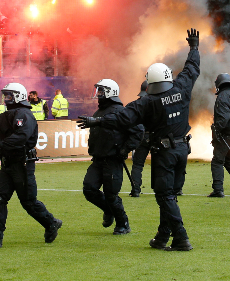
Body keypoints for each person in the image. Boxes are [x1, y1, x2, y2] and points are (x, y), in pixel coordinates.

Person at [78, 29, 200, 251]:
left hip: (164, 153)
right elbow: (192, 69)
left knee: (164, 197)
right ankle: (163, 236)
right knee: (170, 195)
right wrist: (194, 48)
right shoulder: (182, 88)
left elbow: (122, 118)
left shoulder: (148, 102)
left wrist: (96, 122)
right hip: (182, 149)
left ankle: (181, 238)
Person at [0, 83, 62, 248]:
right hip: (8, 163)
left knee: (28, 202)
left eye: (9, 96)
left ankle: (51, 222)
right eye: (5, 95)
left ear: (18, 96)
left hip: (22, 164)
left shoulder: (25, 114)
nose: (6, 99)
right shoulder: (8, 114)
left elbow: (21, 136)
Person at [83, 79, 142, 235]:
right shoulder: (99, 112)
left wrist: (125, 149)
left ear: (110, 92)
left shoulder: (121, 112)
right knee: (89, 189)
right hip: (97, 159)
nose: (98, 94)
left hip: (113, 160)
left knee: (111, 195)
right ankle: (109, 211)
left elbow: (138, 131)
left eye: (101, 91)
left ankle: (123, 223)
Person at [129, 81, 150, 198]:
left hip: (141, 138)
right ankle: (163, 189)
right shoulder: (156, 103)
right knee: (161, 164)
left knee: (137, 165)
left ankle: (135, 190)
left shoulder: (136, 104)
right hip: (155, 136)